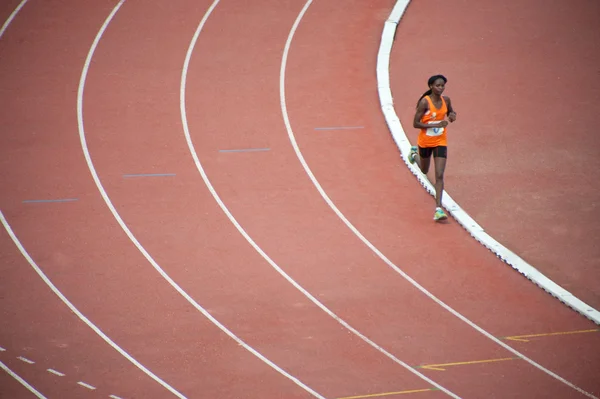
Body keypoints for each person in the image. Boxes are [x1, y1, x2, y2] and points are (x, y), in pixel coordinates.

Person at [408, 74, 457, 221]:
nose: (440, 88)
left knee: (439, 174)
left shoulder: (446, 100)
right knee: (424, 170)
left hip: (440, 141)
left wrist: (453, 116)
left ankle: (438, 209)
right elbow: (415, 124)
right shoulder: (425, 102)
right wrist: (435, 124)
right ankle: (414, 154)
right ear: (431, 86)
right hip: (425, 142)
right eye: (438, 85)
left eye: (442, 85)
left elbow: (450, 112)